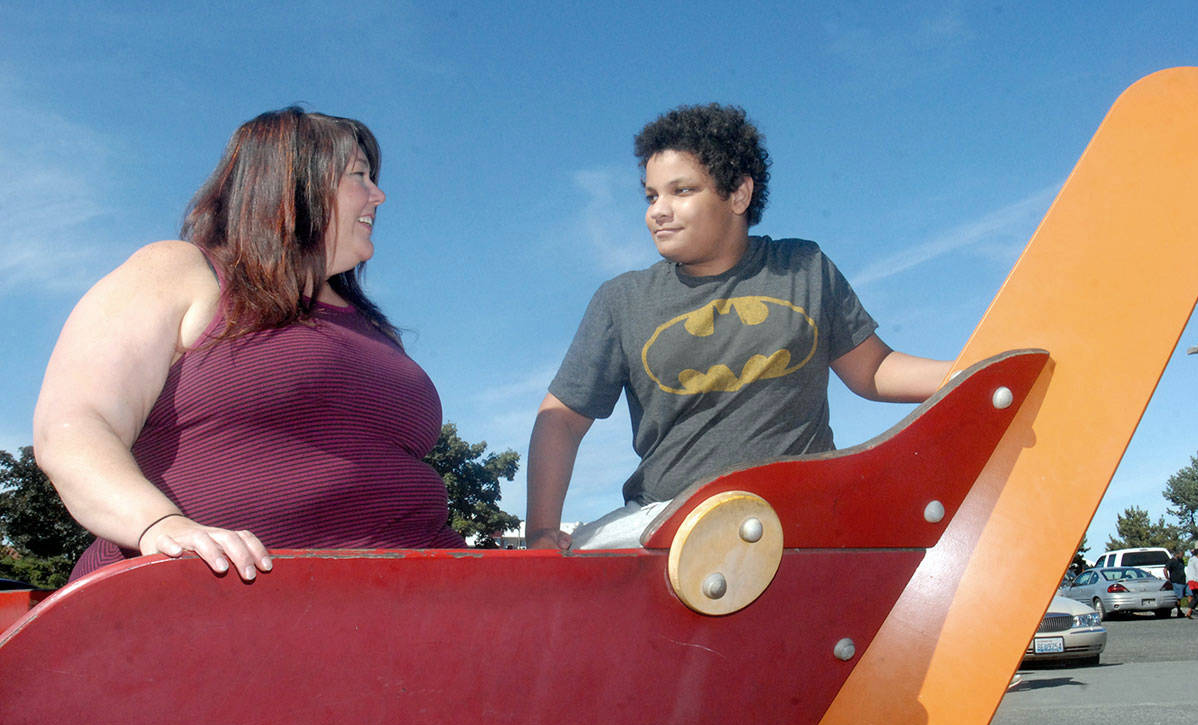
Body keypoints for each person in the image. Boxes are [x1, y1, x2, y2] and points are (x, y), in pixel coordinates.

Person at [34, 107, 463, 583]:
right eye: (359, 176)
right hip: (202, 613)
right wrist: (162, 526)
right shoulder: (180, 271)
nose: (379, 196)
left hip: (416, 600)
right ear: (291, 184)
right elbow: (74, 428)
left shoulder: (376, 331)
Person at [526, 104, 950, 549]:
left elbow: (874, 371)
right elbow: (562, 420)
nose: (659, 211)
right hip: (670, 523)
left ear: (738, 194)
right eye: (652, 196)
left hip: (805, 517)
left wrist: (985, 369)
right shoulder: (622, 300)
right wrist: (540, 532)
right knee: (575, 583)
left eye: (682, 190)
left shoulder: (803, 268)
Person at [1164, 548, 1188, 617]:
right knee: (1178, 598)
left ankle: (1190, 609)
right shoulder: (1171, 561)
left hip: (1183, 581)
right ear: (1177, 554)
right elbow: (1165, 569)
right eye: (1181, 554)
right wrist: (1168, 578)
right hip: (1176, 581)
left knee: (1189, 594)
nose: (1182, 556)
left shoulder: (1181, 561)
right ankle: (1179, 611)